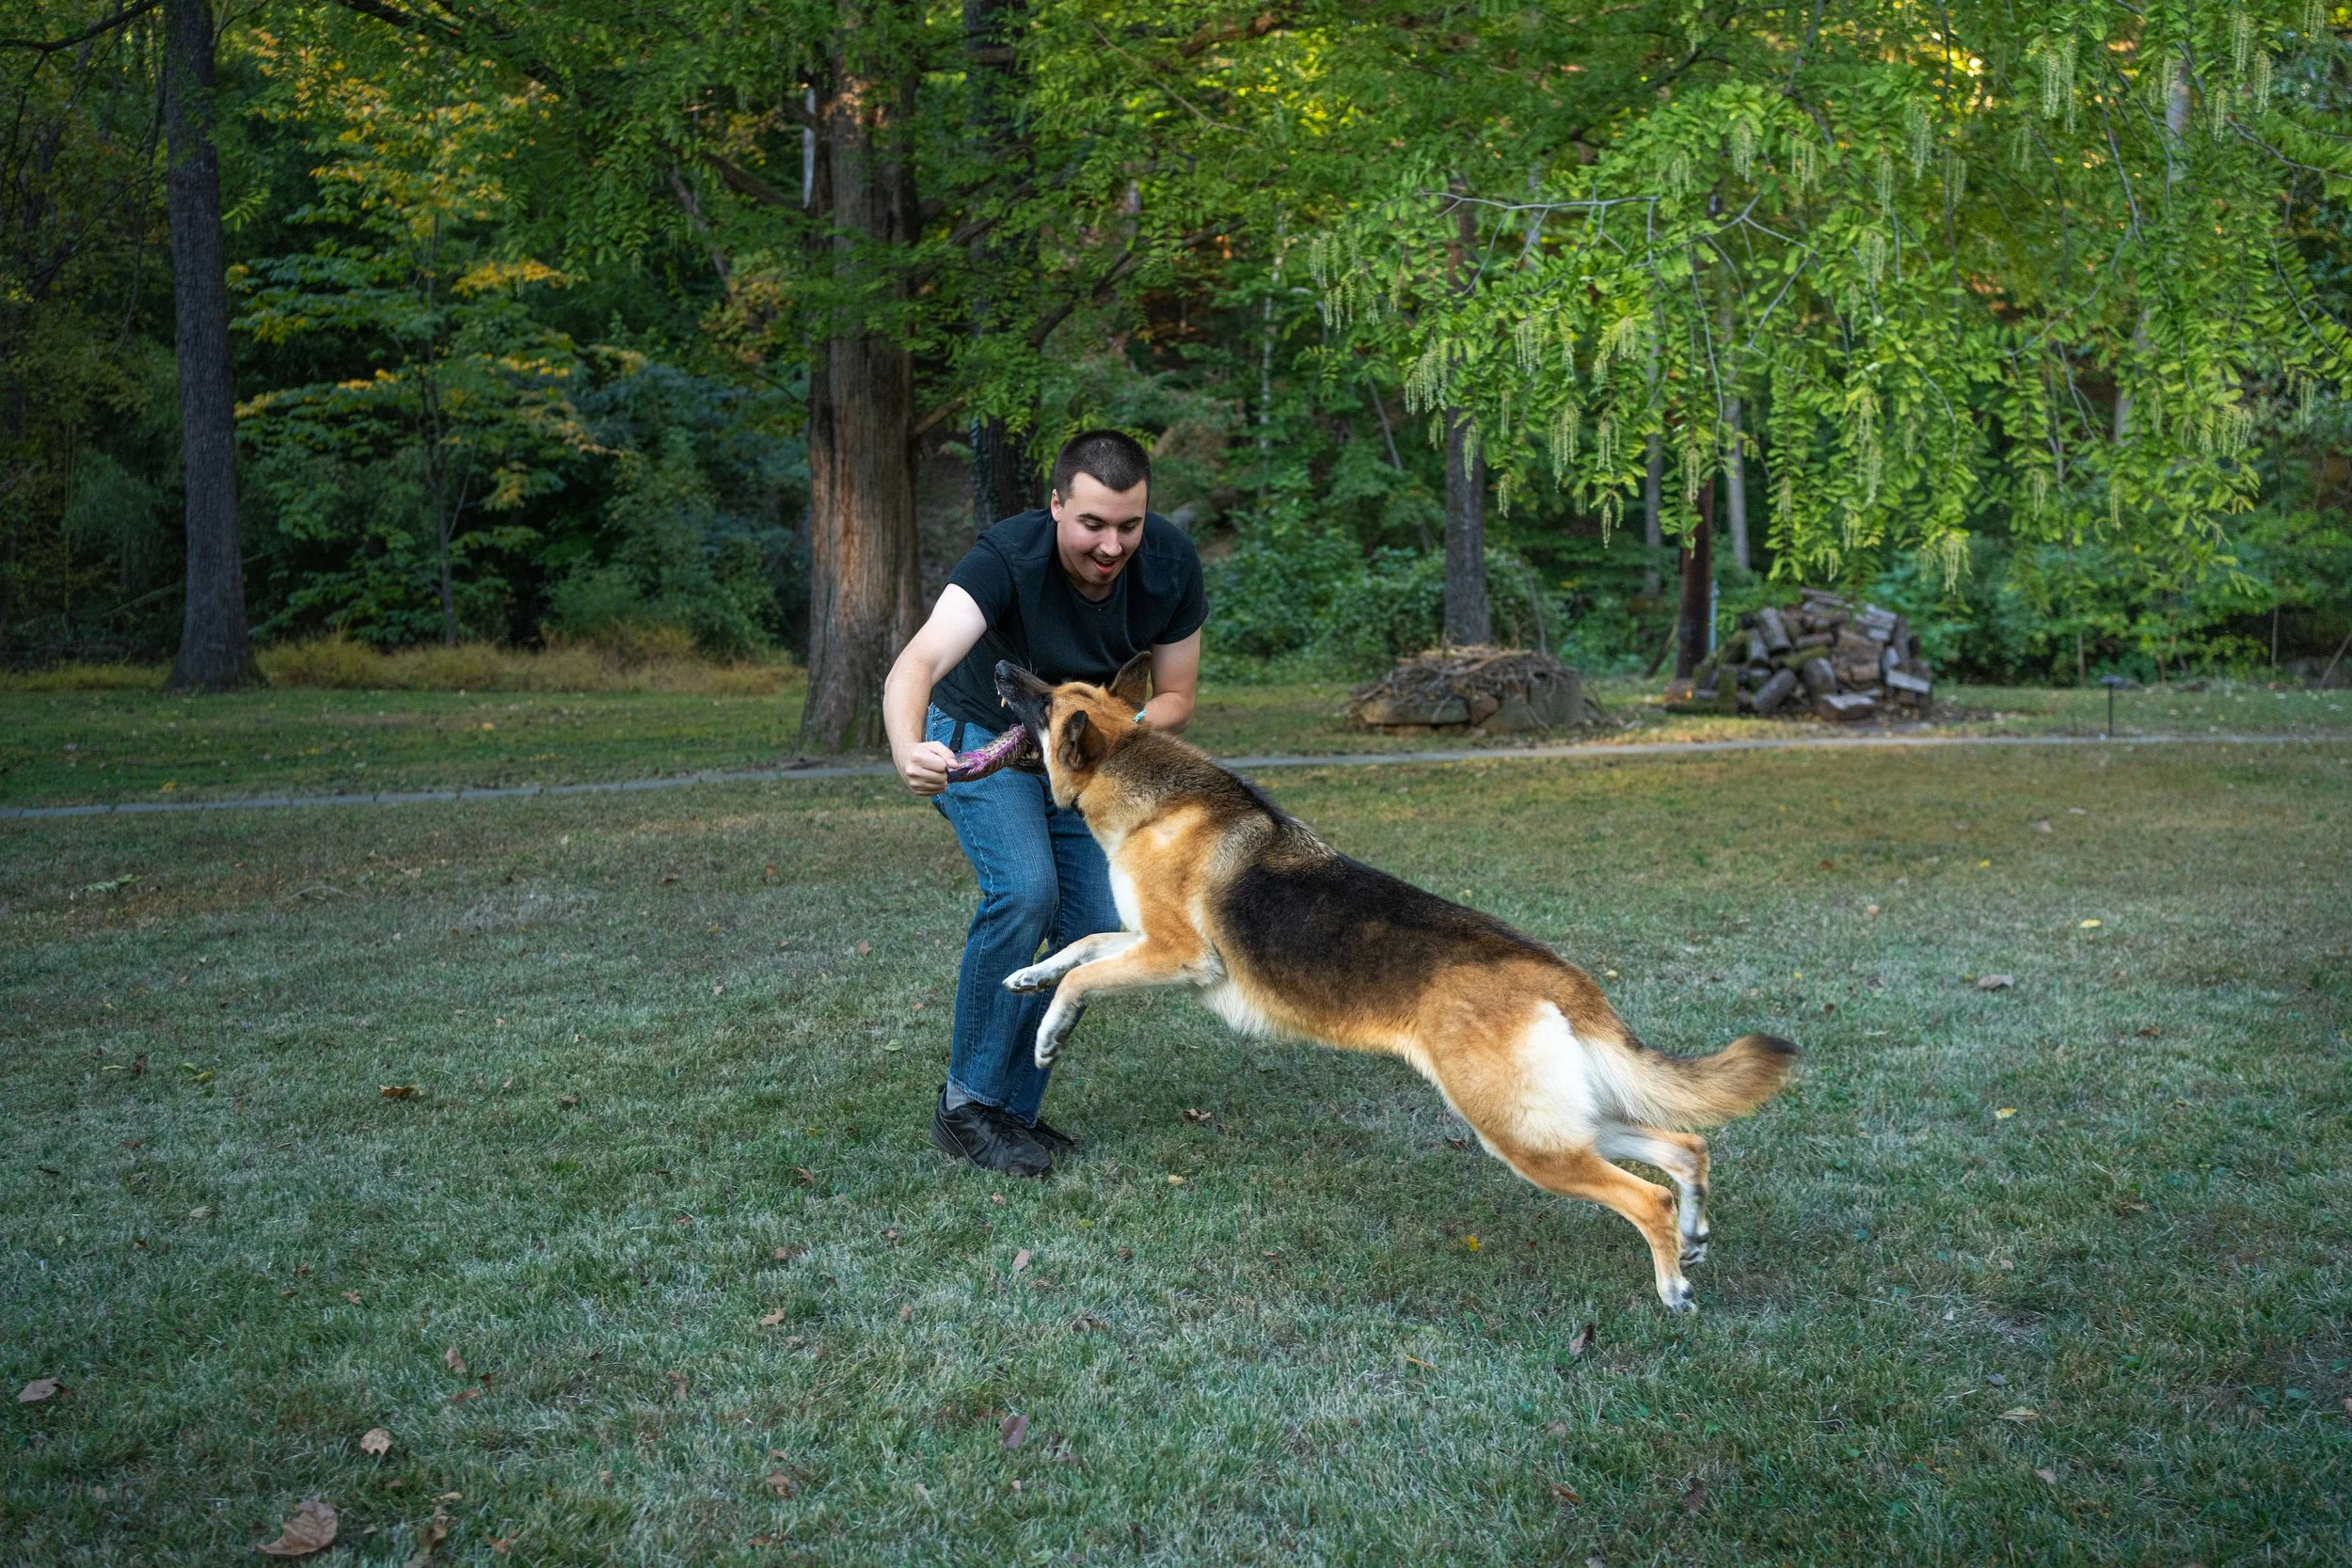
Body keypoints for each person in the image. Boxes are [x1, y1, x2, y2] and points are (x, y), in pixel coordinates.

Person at [882, 430, 1206, 1177]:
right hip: (981, 732)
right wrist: (908, 749)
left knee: (1093, 923)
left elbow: (1178, 694)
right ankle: (967, 1105)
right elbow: (919, 662)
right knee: (1025, 890)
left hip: (1079, 759)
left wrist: (1109, 732)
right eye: (1092, 523)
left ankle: (1010, 1112)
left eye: (1129, 524)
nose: (1112, 544)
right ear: (1057, 505)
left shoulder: (1169, 563)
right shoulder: (1007, 557)